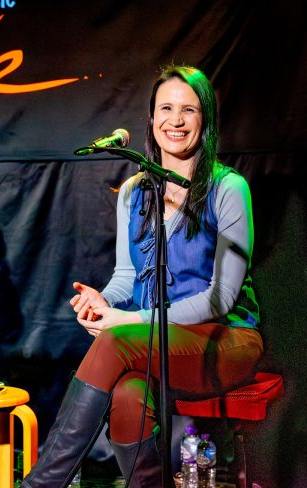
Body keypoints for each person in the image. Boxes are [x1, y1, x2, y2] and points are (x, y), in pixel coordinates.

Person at [21, 65, 263, 487]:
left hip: (224, 341)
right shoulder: (135, 190)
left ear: (205, 120)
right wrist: (106, 301)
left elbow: (220, 299)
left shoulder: (229, 189)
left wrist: (128, 321)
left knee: (117, 341)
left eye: (189, 110)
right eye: (166, 108)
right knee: (129, 395)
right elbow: (126, 275)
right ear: (151, 119)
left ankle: (40, 484)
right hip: (155, 342)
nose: (176, 120)